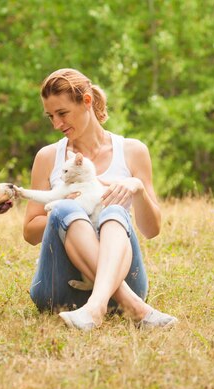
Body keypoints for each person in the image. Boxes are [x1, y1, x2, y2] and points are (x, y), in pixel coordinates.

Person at [20, 68, 178, 331]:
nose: (57, 125)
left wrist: (137, 189)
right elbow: (30, 233)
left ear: (87, 101)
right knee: (65, 208)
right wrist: (69, 209)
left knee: (115, 212)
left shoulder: (132, 151)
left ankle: (96, 307)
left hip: (126, 277)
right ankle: (136, 308)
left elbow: (151, 230)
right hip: (58, 288)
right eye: (51, 117)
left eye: (62, 113)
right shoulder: (48, 157)